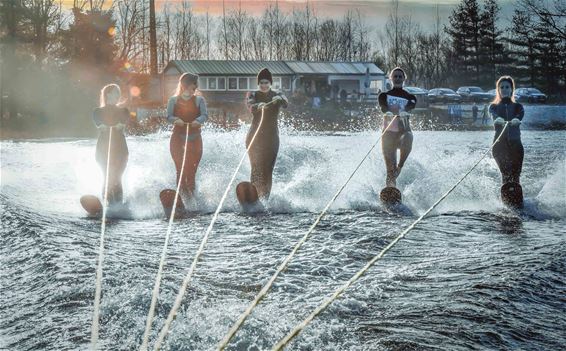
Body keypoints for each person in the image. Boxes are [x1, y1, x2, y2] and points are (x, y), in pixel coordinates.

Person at [245, 68, 288, 200]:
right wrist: (258, 105)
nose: (264, 85)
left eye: (266, 82)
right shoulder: (252, 94)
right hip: (255, 137)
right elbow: (250, 106)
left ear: (270, 83)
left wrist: (279, 99)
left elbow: (285, 103)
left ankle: (265, 198)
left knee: (267, 170)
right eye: (261, 82)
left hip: (271, 138)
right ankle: (254, 197)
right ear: (258, 83)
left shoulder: (278, 93)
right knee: (256, 169)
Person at [166, 72, 208, 197]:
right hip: (178, 140)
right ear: (185, 85)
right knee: (180, 170)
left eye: (196, 86)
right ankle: (181, 197)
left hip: (195, 139)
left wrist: (198, 121)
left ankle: (192, 198)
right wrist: (175, 120)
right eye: (193, 85)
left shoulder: (199, 100)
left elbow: (205, 115)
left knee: (191, 172)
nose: (195, 88)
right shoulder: (173, 100)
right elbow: (168, 116)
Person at [378, 67, 417, 188]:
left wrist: (405, 110)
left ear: (404, 78)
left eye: (400, 76)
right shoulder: (384, 96)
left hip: (403, 132)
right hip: (388, 134)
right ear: (391, 79)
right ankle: (390, 191)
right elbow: (383, 107)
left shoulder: (410, 97)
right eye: (395, 76)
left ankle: (400, 166)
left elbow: (411, 105)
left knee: (409, 137)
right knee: (390, 169)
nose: (398, 78)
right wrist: (387, 112)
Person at [93, 84, 130, 204]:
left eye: (119, 92)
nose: (118, 95)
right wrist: (101, 125)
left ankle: (118, 204)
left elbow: (124, 120)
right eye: (116, 92)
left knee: (117, 177)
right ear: (108, 94)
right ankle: (106, 204)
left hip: (120, 149)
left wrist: (121, 124)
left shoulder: (124, 111)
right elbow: (97, 121)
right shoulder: (98, 111)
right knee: (107, 176)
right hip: (103, 148)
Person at [490, 76, 524, 184]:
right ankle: (506, 195)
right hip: (499, 145)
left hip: (516, 145)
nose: (504, 89)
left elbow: (521, 113)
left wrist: (517, 119)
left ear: (511, 89)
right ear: (498, 90)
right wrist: (497, 119)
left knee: (515, 175)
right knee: (506, 174)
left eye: (507, 87)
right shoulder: (493, 107)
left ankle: (517, 195)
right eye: (502, 87)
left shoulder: (518, 106)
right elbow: (492, 114)